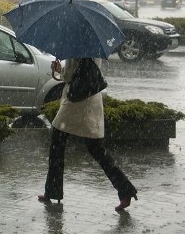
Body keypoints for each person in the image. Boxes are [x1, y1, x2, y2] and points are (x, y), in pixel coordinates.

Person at [38, 58, 138, 211]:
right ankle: (125, 190)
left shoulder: (77, 44)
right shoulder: (91, 47)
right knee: (96, 149)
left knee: (57, 144)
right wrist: (61, 69)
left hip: (76, 102)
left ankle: (52, 190)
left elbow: (70, 75)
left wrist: (60, 69)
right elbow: (82, 73)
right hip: (90, 100)